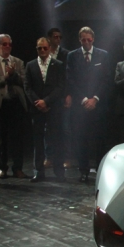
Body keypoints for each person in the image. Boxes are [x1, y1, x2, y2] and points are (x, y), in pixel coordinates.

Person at [66, 27, 110, 182]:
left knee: (100, 139)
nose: (86, 42)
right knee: (81, 139)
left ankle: (100, 170)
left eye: (88, 39)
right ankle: (83, 171)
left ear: (93, 39)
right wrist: (84, 99)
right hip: (81, 105)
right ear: (79, 40)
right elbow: (70, 80)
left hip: (98, 104)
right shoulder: (72, 56)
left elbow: (106, 79)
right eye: (83, 39)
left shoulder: (103, 55)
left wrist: (95, 99)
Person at [0, 34, 29, 179]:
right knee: (0, 138)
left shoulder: (18, 62)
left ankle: (18, 168)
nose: (8, 46)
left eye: (9, 44)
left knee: (17, 138)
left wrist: (13, 75)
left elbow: (25, 82)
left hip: (15, 104)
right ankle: (2, 168)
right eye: (4, 44)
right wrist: (5, 78)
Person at [24, 38, 66, 183]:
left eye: (45, 48)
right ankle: (38, 172)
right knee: (38, 142)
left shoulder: (58, 64)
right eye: (39, 48)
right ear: (36, 49)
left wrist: (46, 101)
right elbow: (27, 87)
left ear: (49, 48)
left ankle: (59, 172)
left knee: (57, 140)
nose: (42, 50)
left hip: (53, 108)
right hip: (37, 109)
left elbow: (61, 86)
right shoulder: (30, 65)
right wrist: (38, 103)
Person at [45, 27, 70, 169]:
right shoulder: (44, 52)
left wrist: (68, 94)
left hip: (62, 95)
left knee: (65, 128)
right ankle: (49, 157)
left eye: (60, 37)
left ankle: (66, 157)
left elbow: (69, 76)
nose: (58, 39)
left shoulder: (65, 54)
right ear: (49, 38)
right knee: (48, 129)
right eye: (55, 37)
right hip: (48, 96)